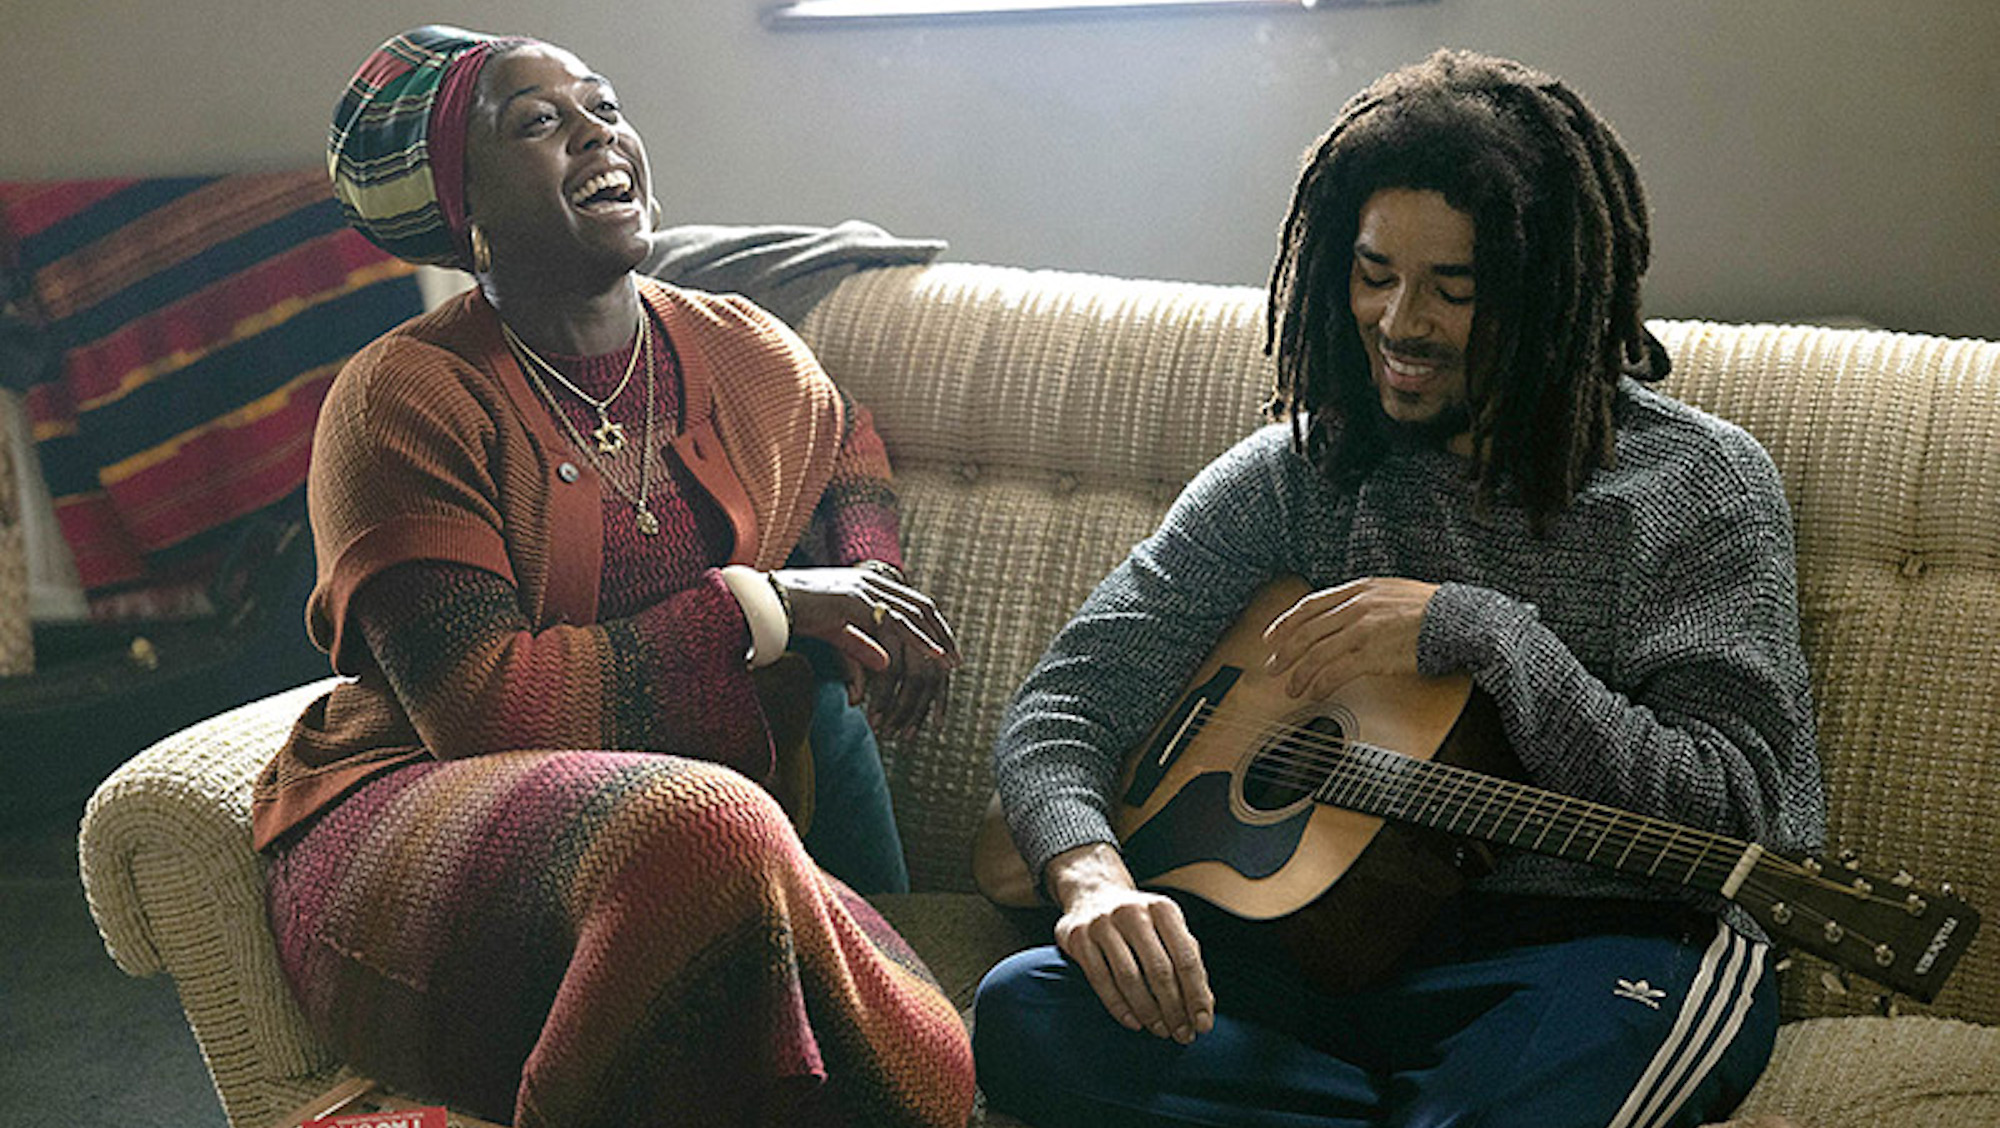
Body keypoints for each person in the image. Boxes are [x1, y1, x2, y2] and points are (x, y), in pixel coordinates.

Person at [974, 49, 1824, 1128]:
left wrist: (1486, 635)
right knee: (1027, 1011)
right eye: (1373, 274)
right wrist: (1090, 877)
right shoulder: (1297, 473)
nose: (1400, 323)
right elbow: (1067, 704)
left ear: (1549, 293)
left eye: (1454, 290)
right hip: (1316, 958)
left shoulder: (1694, 486)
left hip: (1597, 949)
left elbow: (1740, 809)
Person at [252, 25, 975, 1128]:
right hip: (429, 843)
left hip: (691, 857)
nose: (596, 132)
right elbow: (485, 709)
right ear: (464, 207)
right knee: (709, 824)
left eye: (604, 106)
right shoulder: (403, 398)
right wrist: (771, 605)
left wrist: (870, 585)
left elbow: (841, 443)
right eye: (538, 123)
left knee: (883, 1014)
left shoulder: (734, 344)